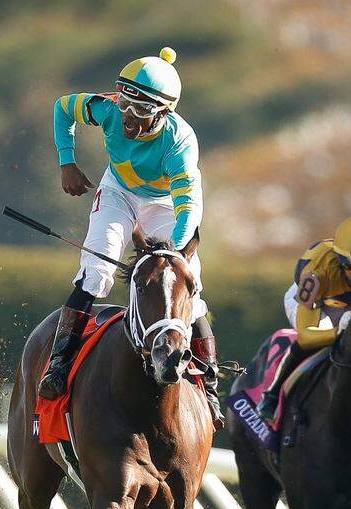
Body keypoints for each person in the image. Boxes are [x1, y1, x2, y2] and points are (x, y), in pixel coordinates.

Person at [41, 47, 223, 428]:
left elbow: (189, 207)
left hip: (165, 205)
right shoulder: (106, 108)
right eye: (125, 104)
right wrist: (67, 160)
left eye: (140, 112)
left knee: (190, 285)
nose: (127, 117)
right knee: (96, 271)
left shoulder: (179, 142)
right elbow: (62, 107)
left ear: (162, 113)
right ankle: (59, 363)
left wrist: (174, 253)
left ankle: (208, 382)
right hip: (118, 193)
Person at [257, 214, 351, 421]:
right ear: (339, 259)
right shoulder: (316, 270)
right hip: (319, 304)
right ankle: (272, 395)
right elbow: (306, 336)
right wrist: (344, 333)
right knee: (314, 345)